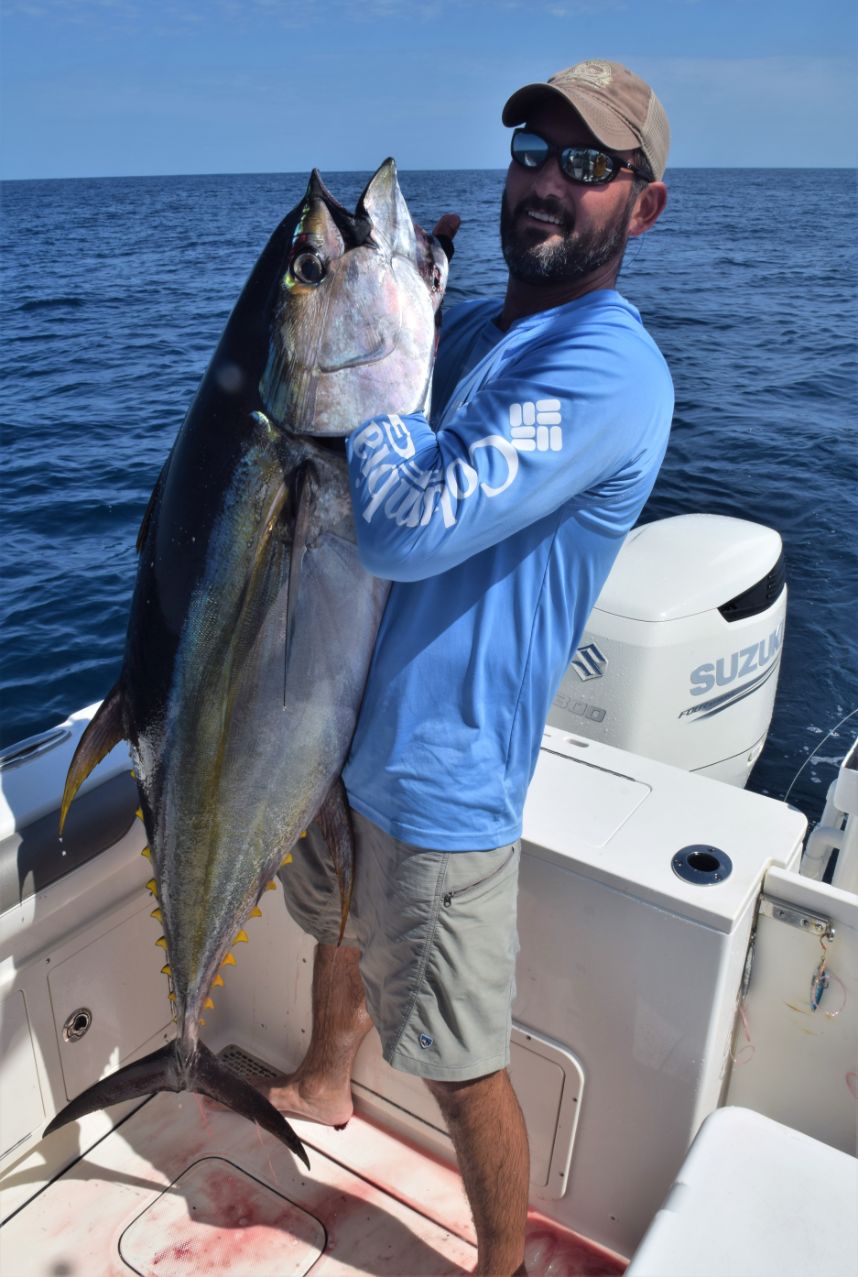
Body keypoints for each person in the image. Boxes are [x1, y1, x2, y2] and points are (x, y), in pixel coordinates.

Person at [263, 59, 672, 1277]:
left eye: (587, 165)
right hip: (341, 728)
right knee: (330, 925)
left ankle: (498, 1261)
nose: (547, 182)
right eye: (532, 153)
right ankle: (328, 1078)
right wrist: (406, 298)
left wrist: (364, 349)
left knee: (453, 1052)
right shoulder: (490, 327)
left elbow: (399, 520)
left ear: (641, 207)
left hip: (445, 781)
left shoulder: (608, 370)